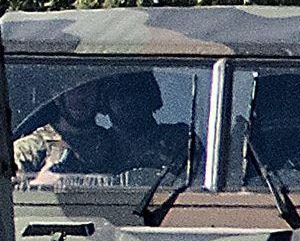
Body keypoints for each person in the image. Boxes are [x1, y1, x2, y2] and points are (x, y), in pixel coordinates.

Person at [16, 71, 191, 181]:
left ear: (100, 96)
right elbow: (6, 199)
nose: (80, 97)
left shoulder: (116, 143)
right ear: (57, 96)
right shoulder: (31, 148)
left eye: (88, 88)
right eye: (72, 90)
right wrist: (39, 183)